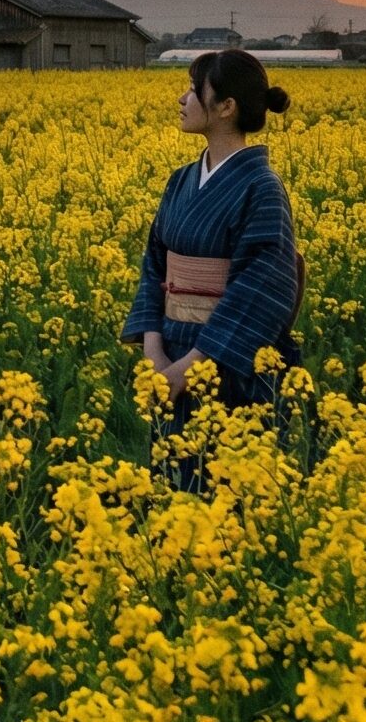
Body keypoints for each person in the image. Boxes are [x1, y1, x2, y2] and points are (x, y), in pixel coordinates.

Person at [121, 48, 302, 493]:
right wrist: (154, 357)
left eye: (193, 89)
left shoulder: (261, 187)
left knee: (222, 495)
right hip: (169, 353)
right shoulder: (181, 179)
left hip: (227, 365)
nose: (182, 99)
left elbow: (257, 292)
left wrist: (190, 368)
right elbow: (154, 267)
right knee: (170, 484)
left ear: (226, 107)